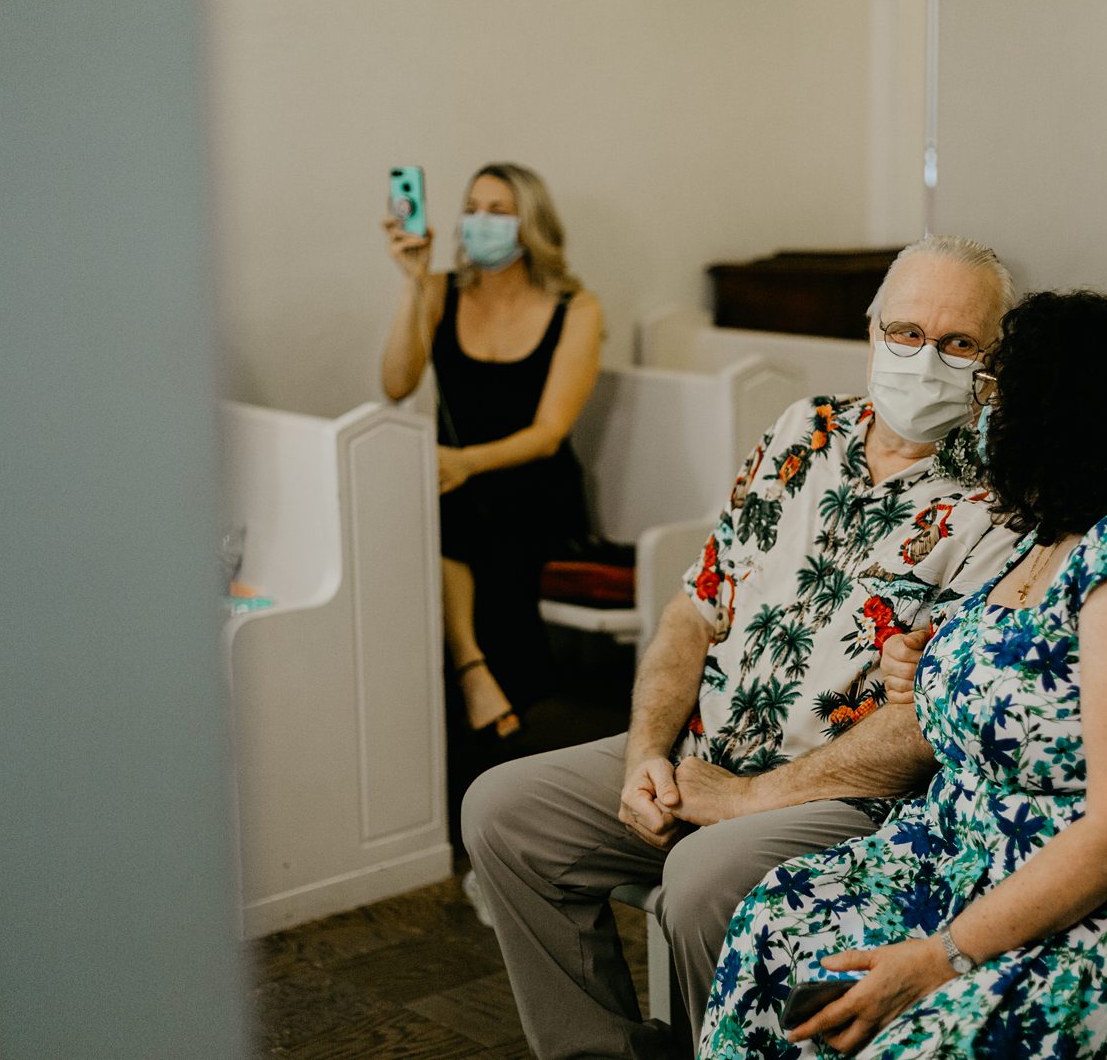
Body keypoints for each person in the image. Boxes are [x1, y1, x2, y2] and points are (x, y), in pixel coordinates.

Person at [461, 235, 1021, 1058]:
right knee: (502, 812)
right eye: (905, 331)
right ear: (870, 331)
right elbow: (694, 611)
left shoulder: (1003, 497)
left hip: (842, 798)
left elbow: (926, 727)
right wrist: (647, 754)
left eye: (957, 343)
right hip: (702, 752)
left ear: (992, 365)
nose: (923, 357)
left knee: (701, 879)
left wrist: (746, 800)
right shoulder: (806, 430)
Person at [697, 290, 1107, 1058]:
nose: (984, 416)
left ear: (1065, 411)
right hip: (947, 856)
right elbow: (1019, 676)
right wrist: (926, 667)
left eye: (1000, 395)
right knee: (775, 923)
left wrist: (945, 955)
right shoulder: (1044, 530)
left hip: (1079, 904)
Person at [380, 162, 603, 742]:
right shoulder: (440, 293)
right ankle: (485, 679)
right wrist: (412, 281)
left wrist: (465, 462)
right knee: (434, 512)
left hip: (533, 483)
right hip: (454, 485)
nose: (481, 222)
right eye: (473, 208)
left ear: (531, 225)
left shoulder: (575, 308)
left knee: (469, 515)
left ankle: (472, 674)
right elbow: (396, 383)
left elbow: (549, 432)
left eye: (498, 211)